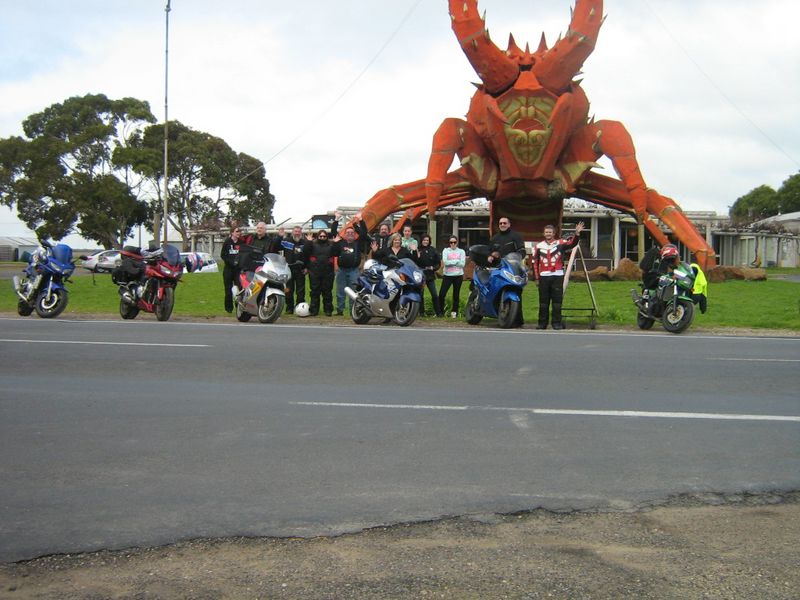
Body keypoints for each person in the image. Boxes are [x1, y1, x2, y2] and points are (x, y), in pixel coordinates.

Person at [532, 221, 585, 330]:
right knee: (543, 302)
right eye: (546, 232)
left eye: (550, 232)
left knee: (557, 302)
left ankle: (556, 323)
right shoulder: (538, 246)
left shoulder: (560, 243)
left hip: (557, 276)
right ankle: (542, 324)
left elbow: (572, 243)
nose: (548, 234)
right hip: (544, 277)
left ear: (554, 233)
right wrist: (536, 278)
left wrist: (577, 234)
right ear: (544, 233)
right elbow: (535, 263)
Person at [332, 212, 369, 316]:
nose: (350, 234)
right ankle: (340, 311)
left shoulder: (357, 243)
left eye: (352, 232)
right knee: (340, 291)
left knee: (353, 292)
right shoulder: (341, 242)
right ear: (345, 234)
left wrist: (360, 220)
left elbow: (364, 233)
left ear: (354, 234)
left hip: (354, 271)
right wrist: (336, 219)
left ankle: (353, 311)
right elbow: (333, 232)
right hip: (341, 271)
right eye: (348, 232)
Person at [302, 227, 337, 316]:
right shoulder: (312, 244)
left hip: (328, 272)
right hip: (314, 272)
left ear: (326, 237)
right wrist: (308, 242)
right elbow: (305, 252)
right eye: (320, 236)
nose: (322, 238)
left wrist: (336, 243)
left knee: (327, 292)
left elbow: (337, 253)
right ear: (318, 236)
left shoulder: (331, 245)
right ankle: (314, 310)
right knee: (314, 292)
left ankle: (328, 310)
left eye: (324, 236)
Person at [278, 225, 307, 313]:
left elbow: (308, 256)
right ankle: (289, 308)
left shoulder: (305, 243)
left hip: (300, 269)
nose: (297, 233)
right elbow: (276, 246)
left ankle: (299, 307)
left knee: (300, 290)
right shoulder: (286, 241)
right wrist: (279, 237)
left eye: (298, 231)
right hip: (288, 269)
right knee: (288, 289)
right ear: (292, 232)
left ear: (301, 233)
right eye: (295, 231)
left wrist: (306, 267)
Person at [413, 234, 441, 317]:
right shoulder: (417, 250)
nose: (426, 242)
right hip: (421, 275)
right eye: (424, 240)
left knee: (434, 294)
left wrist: (433, 268)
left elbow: (438, 263)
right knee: (421, 295)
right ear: (421, 241)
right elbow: (414, 262)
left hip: (430, 275)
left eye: (427, 240)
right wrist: (416, 255)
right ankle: (421, 312)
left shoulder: (433, 250)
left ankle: (438, 313)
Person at [438, 235, 466, 318]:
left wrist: (451, 262)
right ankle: (441, 312)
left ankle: (454, 312)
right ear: (449, 243)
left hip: (458, 275)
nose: (453, 244)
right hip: (447, 275)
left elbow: (462, 264)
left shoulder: (461, 251)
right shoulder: (446, 250)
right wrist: (457, 261)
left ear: (457, 242)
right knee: (442, 294)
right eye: (451, 242)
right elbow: (445, 262)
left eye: (454, 242)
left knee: (456, 295)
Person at [220, 223, 245, 313]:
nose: (238, 233)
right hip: (228, 269)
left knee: (239, 289)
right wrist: (230, 262)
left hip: (238, 270)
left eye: (239, 231)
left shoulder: (241, 243)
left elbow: (243, 254)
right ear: (232, 233)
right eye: (237, 231)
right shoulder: (227, 242)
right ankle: (228, 308)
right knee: (228, 289)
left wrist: (239, 263)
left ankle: (239, 306)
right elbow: (223, 255)